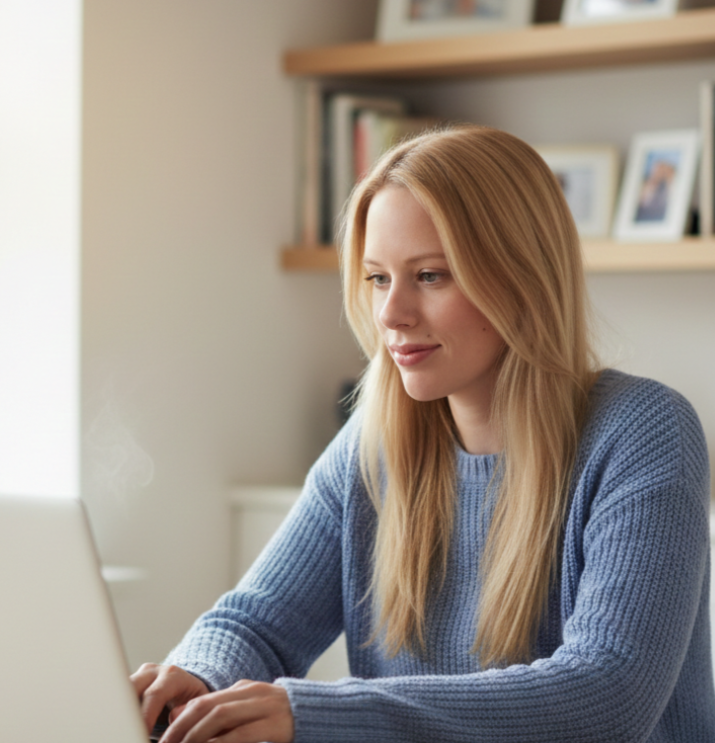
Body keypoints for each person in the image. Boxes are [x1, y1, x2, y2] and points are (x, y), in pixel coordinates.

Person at [131, 125, 714, 742]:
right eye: (378, 278)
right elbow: (256, 625)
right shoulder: (375, 443)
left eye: (430, 276)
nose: (391, 313)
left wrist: (316, 717)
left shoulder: (643, 432)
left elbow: (605, 694)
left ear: (522, 277)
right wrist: (198, 676)